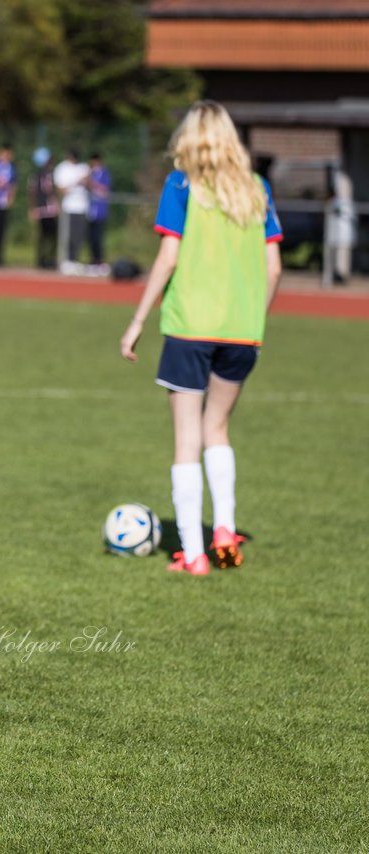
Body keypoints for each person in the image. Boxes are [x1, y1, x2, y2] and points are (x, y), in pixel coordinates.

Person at [119, 101, 283, 575]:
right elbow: (274, 267)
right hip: (243, 333)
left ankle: (193, 555)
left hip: (191, 327)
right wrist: (254, 319)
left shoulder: (182, 184)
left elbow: (169, 257)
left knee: (187, 438)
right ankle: (225, 531)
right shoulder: (257, 189)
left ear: (189, 140)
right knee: (219, 430)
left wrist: (137, 320)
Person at [54, 148, 90, 270]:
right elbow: (61, 189)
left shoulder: (83, 167)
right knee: (68, 235)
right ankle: (66, 260)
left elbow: (90, 184)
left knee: (79, 235)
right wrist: (76, 181)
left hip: (82, 206)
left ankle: (75, 259)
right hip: (69, 207)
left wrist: (86, 180)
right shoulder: (62, 168)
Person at [28, 147, 59, 270]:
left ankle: (51, 259)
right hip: (42, 210)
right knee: (43, 236)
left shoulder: (53, 175)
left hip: (51, 210)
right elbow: (32, 192)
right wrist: (32, 209)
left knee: (53, 236)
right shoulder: (37, 176)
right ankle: (41, 259)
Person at [85, 152, 111, 274]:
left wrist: (92, 184)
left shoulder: (104, 174)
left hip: (100, 211)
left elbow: (105, 191)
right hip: (91, 211)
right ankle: (93, 260)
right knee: (91, 237)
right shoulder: (91, 173)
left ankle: (100, 261)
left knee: (98, 238)